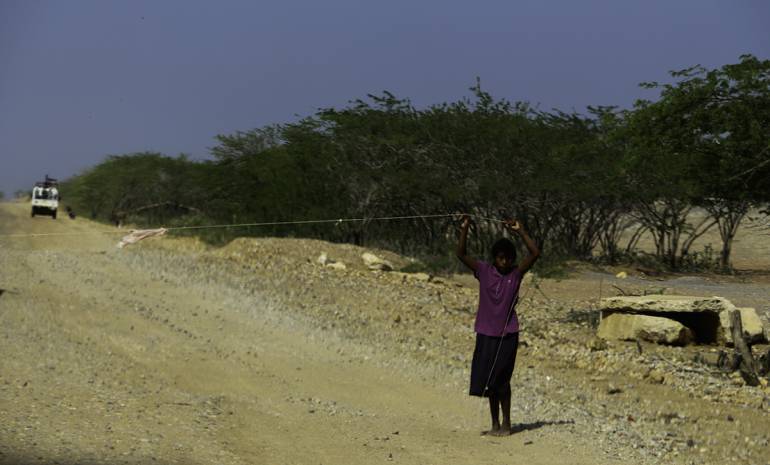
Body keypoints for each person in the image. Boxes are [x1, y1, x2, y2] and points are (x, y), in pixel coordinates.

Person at [456, 214, 540, 436]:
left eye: (509, 258)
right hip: (485, 333)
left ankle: (507, 423)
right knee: (488, 382)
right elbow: (461, 254)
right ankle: (494, 424)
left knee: (503, 379)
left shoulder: (516, 274)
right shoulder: (483, 271)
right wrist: (465, 228)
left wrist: (520, 230)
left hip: (508, 334)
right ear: (495, 258)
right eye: (501, 258)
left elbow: (535, 253)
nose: (505, 262)